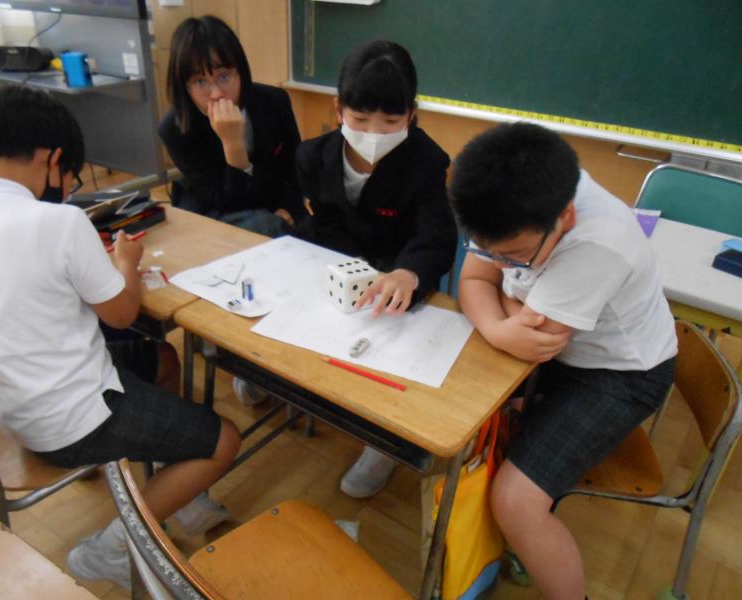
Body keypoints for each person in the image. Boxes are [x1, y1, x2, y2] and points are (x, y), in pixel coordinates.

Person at [0, 86, 241, 591]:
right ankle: (109, 548)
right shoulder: (60, 222)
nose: (66, 187)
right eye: (69, 173)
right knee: (225, 439)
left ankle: (176, 488)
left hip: (11, 406)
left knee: (162, 359)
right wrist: (126, 263)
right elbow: (123, 314)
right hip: (71, 420)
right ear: (51, 158)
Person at [449, 122, 677, 600]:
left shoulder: (598, 242)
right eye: (490, 250)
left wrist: (501, 314)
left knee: (515, 502)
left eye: (514, 256)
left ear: (566, 217)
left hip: (621, 376)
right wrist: (500, 327)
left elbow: (536, 340)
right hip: (564, 355)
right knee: (465, 412)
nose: (500, 263)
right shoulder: (511, 204)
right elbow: (472, 281)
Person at [294, 40, 458, 499]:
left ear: (412, 115)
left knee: (396, 353)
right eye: (361, 119)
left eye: (390, 121)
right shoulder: (313, 157)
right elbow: (323, 222)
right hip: (337, 265)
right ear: (338, 109)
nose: (374, 132)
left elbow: (437, 238)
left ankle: (384, 442)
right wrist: (337, 268)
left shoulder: (426, 162)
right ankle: (276, 378)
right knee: (303, 320)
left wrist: (408, 274)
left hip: (398, 276)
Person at [158, 15, 303, 237]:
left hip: (271, 199)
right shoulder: (175, 128)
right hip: (213, 208)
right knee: (266, 226)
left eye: (224, 77)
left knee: (311, 229)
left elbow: (294, 170)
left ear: (240, 73)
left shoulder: (275, 101)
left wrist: (287, 208)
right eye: (200, 82)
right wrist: (232, 143)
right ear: (185, 88)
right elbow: (227, 202)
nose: (216, 93)